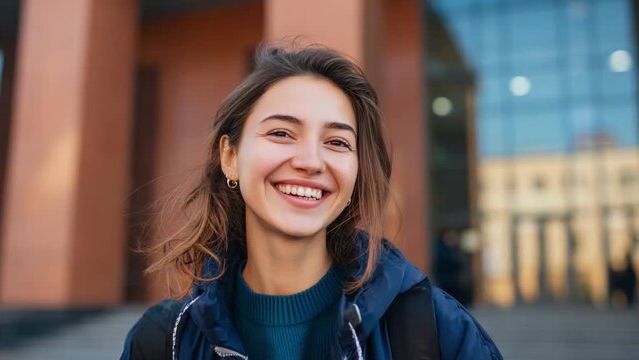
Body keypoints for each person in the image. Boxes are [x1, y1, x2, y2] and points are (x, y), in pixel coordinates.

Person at [120, 44, 502, 360]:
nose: (310, 161)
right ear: (230, 157)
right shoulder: (161, 343)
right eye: (283, 133)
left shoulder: (435, 330)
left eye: (336, 142)